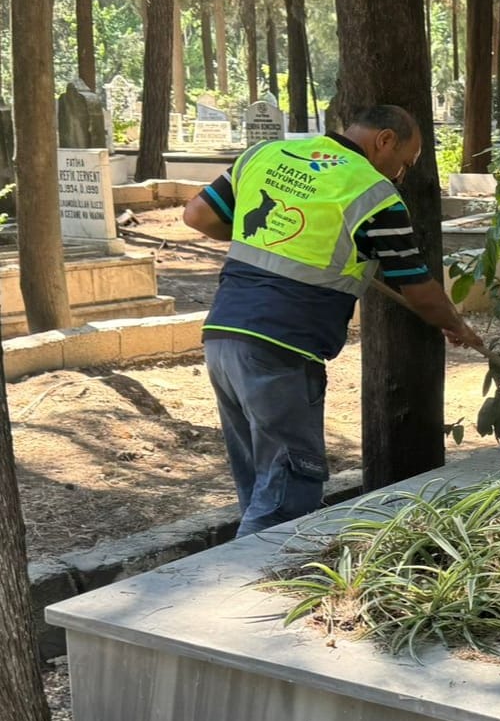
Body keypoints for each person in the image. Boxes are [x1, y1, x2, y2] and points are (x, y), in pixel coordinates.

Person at [183, 103, 484, 537]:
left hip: (223, 337)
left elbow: (198, 215)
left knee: (260, 480)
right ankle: (252, 593)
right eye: (405, 163)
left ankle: (241, 575)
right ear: (384, 141)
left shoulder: (265, 154)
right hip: (282, 349)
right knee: (287, 494)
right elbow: (417, 287)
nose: (401, 175)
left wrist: (268, 237)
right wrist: (456, 325)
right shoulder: (374, 193)